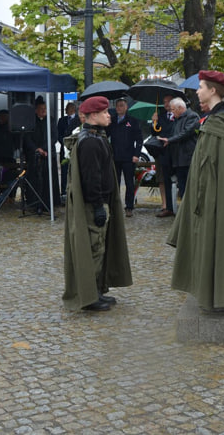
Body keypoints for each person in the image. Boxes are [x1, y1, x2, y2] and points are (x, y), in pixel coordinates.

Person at [168, 71, 224, 311]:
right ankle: (214, 292)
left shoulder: (221, 125)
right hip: (208, 197)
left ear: (213, 91)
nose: (197, 92)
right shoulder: (213, 121)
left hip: (219, 199)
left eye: (201, 87)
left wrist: (215, 200)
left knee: (223, 241)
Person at [62, 96, 132, 312]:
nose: (108, 115)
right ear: (92, 116)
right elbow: (91, 177)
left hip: (100, 201)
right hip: (94, 204)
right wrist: (98, 205)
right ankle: (89, 296)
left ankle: (96, 291)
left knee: (99, 248)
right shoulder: (90, 141)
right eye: (104, 113)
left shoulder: (97, 137)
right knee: (94, 248)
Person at [107, 97, 143, 217]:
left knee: (129, 182)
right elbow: (106, 135)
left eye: (121, 106)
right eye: (117, 106)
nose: (119, 108)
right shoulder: (111, 121)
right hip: (115, 156)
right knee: (114, 182)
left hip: (129, 156)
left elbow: (139, 139)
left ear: (126, 107)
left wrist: (136, 154)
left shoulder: (132, 121)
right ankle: (115, 205)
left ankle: (129, 206)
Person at [160, 97, 199, 201]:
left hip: (188, 159)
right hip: (178, 160)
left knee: (190, 187)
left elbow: (185, 133)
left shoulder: (192, 117)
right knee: (182, 188)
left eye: (173, 109)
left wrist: (170, 140)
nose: (172, 112)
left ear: (180, 108)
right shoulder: (177, 120)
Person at [23, 96, 58, 212]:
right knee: (35, 180)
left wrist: (44, 148)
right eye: (41, 108)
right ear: (36, 110)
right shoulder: (31, 121)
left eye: (45, 108)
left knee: (48, 181)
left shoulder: (51, 120)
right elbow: (27, 138)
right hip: (35, 155)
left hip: (48, 154)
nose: (43, 111)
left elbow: (54, 137)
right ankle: (35, 203)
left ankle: (48, 203)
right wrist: (37, 149)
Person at [150, 94, 176, 217]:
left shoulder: (178, 116)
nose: (166, 104)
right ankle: (165, 205)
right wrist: (153, 121)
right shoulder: (160, 116)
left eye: (168, 102)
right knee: (162, 179)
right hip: (162, 152)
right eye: (164, 102)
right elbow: (154, 132)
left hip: (175, 151)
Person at [57, 102, 79, 199]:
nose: (65, 110)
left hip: (76, 150)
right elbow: (58, 134)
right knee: (64, 171)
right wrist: (65, 143)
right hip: (64, 149)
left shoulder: (79, 120)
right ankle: (63, 192)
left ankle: (75, 192)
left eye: (67, 108)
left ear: (72, 109)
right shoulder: (62, 120)